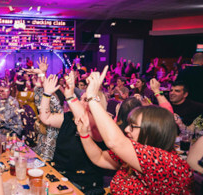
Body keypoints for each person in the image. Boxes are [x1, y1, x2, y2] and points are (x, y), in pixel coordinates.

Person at [76, 66, 193, 194]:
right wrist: (84, 134)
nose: (126, 129)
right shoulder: (134, 153)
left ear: (152, 131)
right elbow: (98, 157)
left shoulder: (167, 163)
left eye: (133, 126)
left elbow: (115, 142)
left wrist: (92, 97)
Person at [39, 73, 108, 192]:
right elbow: (46, 118)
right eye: (81, 98)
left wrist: (70, 96)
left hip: (83, 184)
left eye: (86, 100)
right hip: (58, 174)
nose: (80, 102)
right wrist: (46, 94)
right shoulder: (69, 118)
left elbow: (88, 123)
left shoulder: (100, 125)